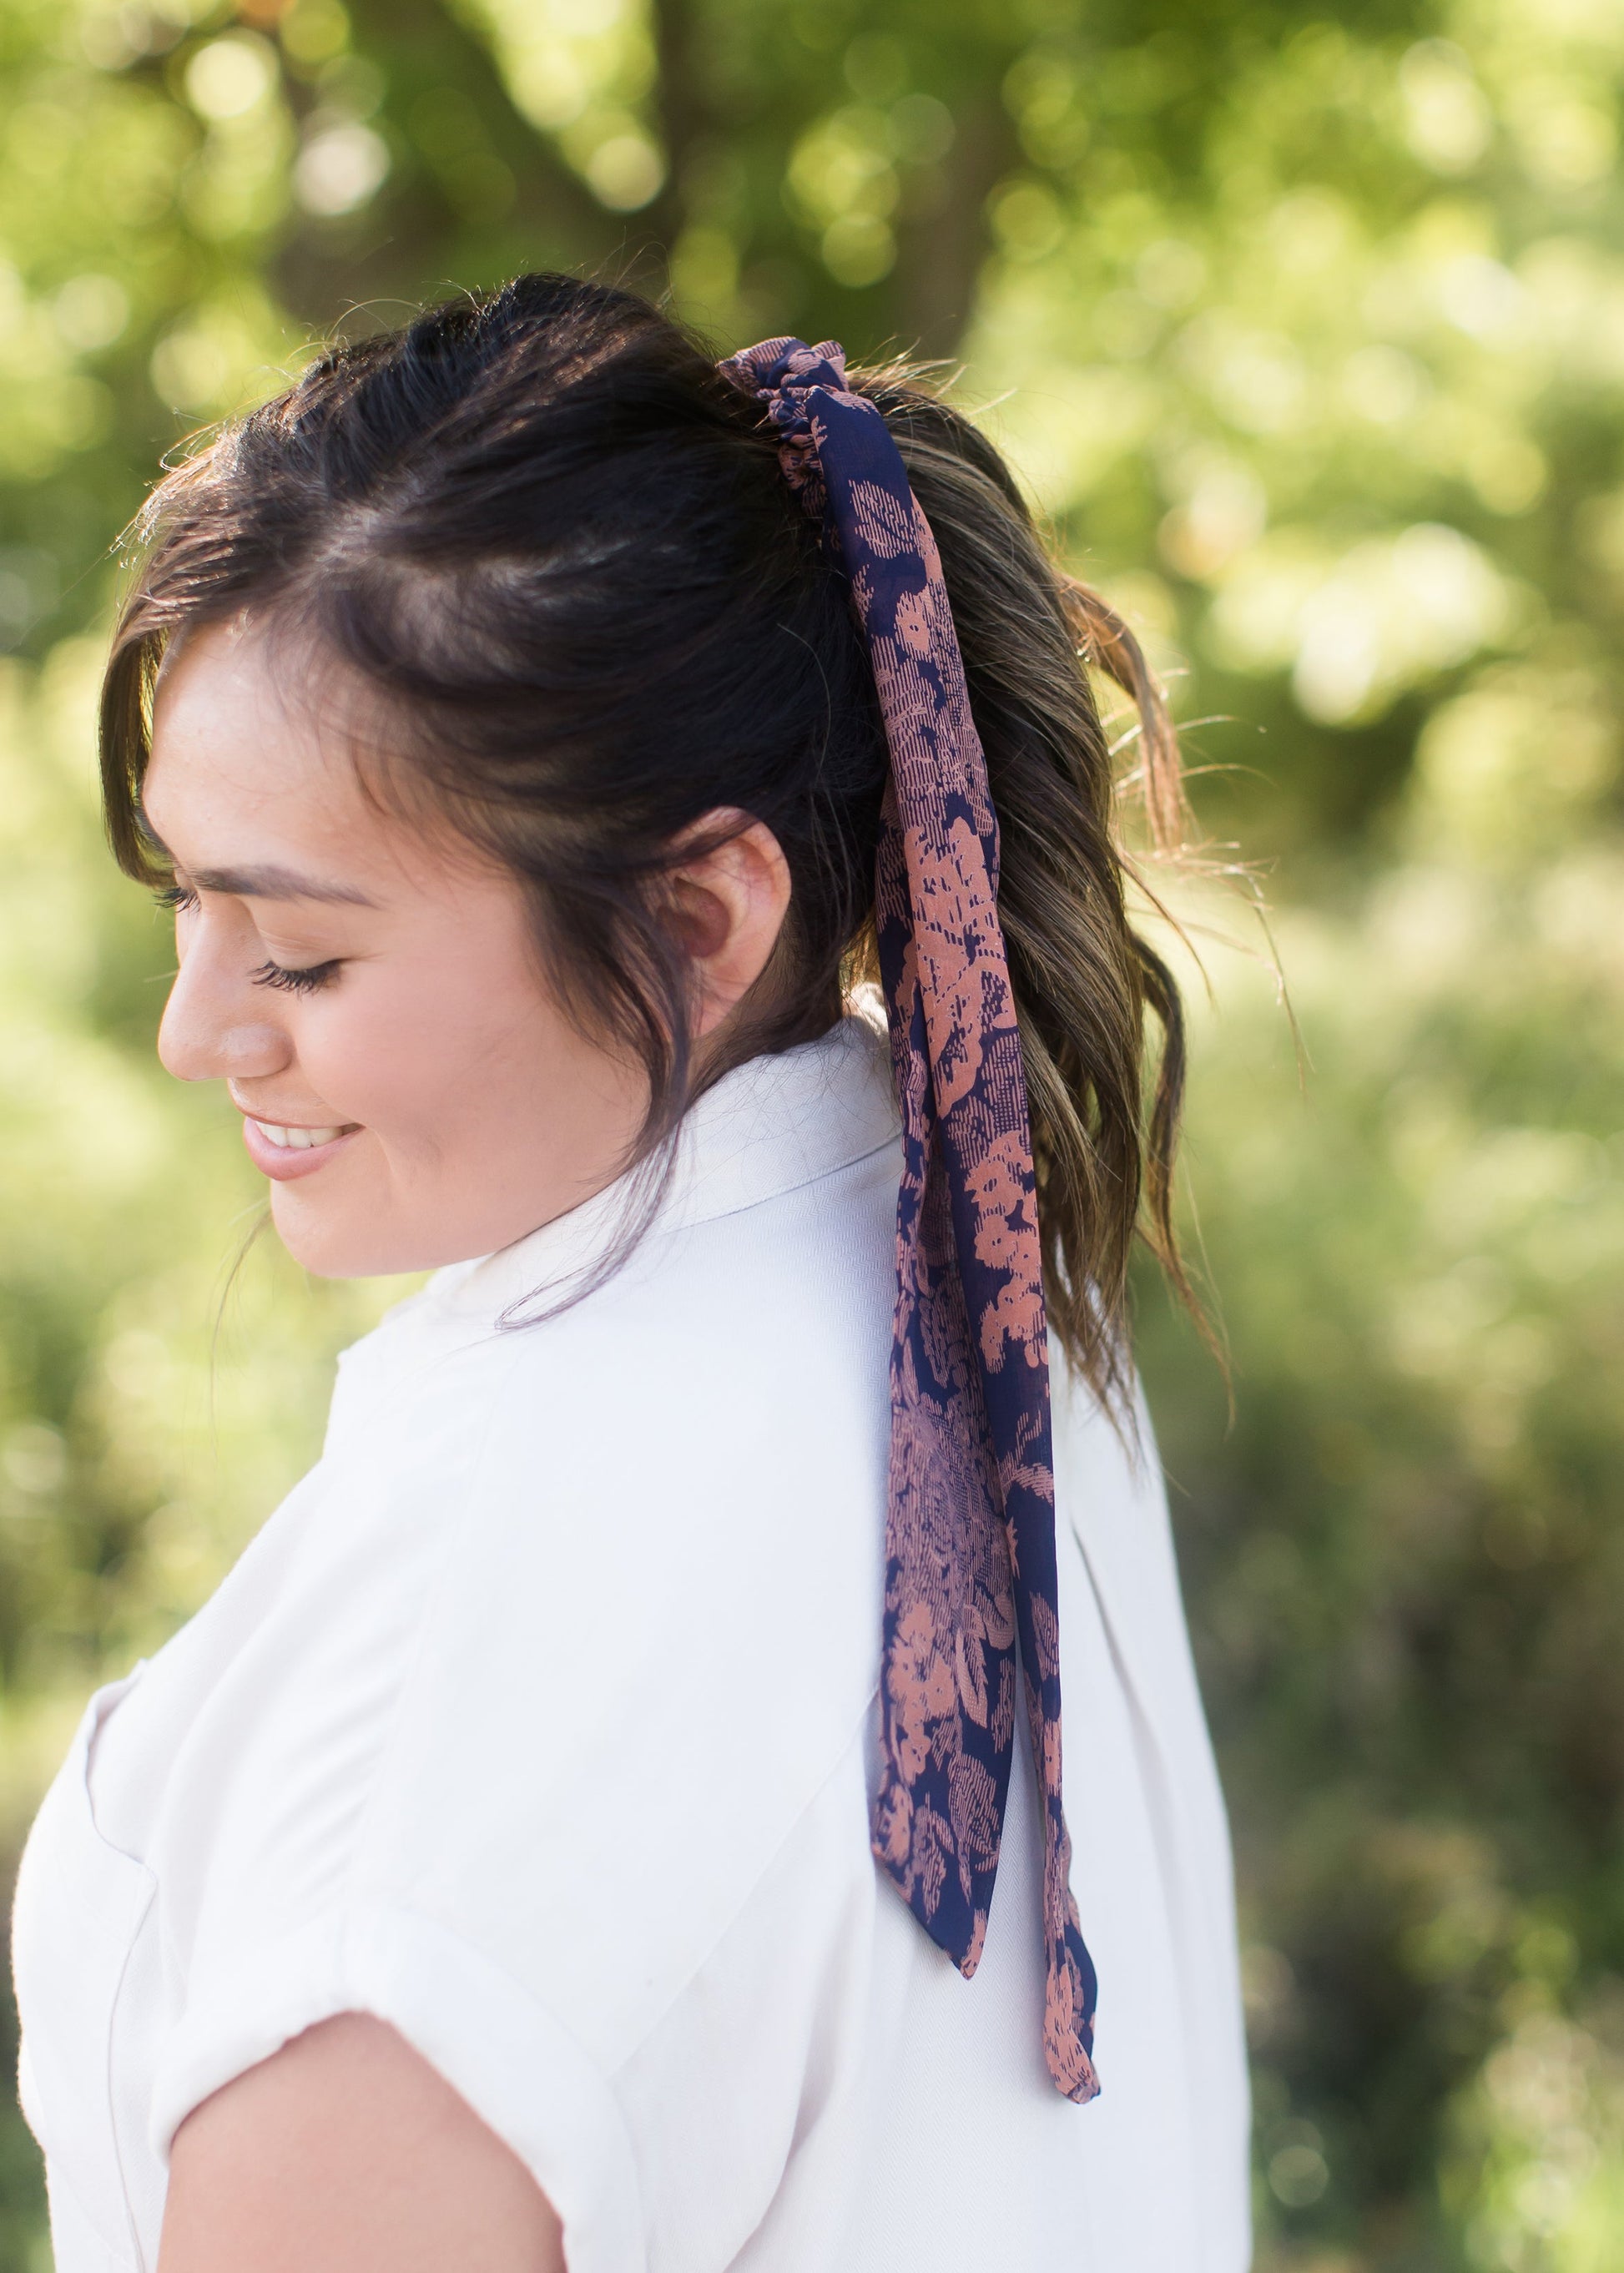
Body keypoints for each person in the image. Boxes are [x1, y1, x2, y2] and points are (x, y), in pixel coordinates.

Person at [10, 276, 1250, 2273]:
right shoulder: (972, 1289)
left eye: (301, 954)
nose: (197, 1033)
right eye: (187, 906)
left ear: (694, 919)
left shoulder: (470, 1651)